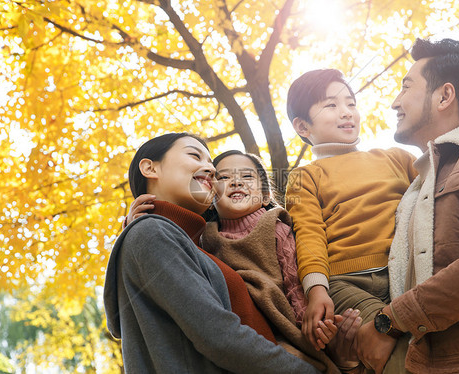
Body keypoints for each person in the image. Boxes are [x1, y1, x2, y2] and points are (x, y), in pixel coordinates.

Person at [353, 38, 459, 374]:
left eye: (406, 87)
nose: (394, 102)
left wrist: (388, 322)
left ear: (445, 96)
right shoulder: (415, 189)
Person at [103, 133, 323, 373]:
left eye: (212, 165)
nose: (210, 168)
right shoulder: (151, 233)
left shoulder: (203, 248)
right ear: (150, 167)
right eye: (194, 155)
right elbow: (219, 336)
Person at [285, 69, 418, 372]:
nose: (346, 113)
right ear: (303, 125)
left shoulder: (396, 158)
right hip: (346, 282)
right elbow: (308, 234)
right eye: (331, 106)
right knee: (395, 350)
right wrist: (316, 289)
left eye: (351, 103)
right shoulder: (303, 177)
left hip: (405, 273)